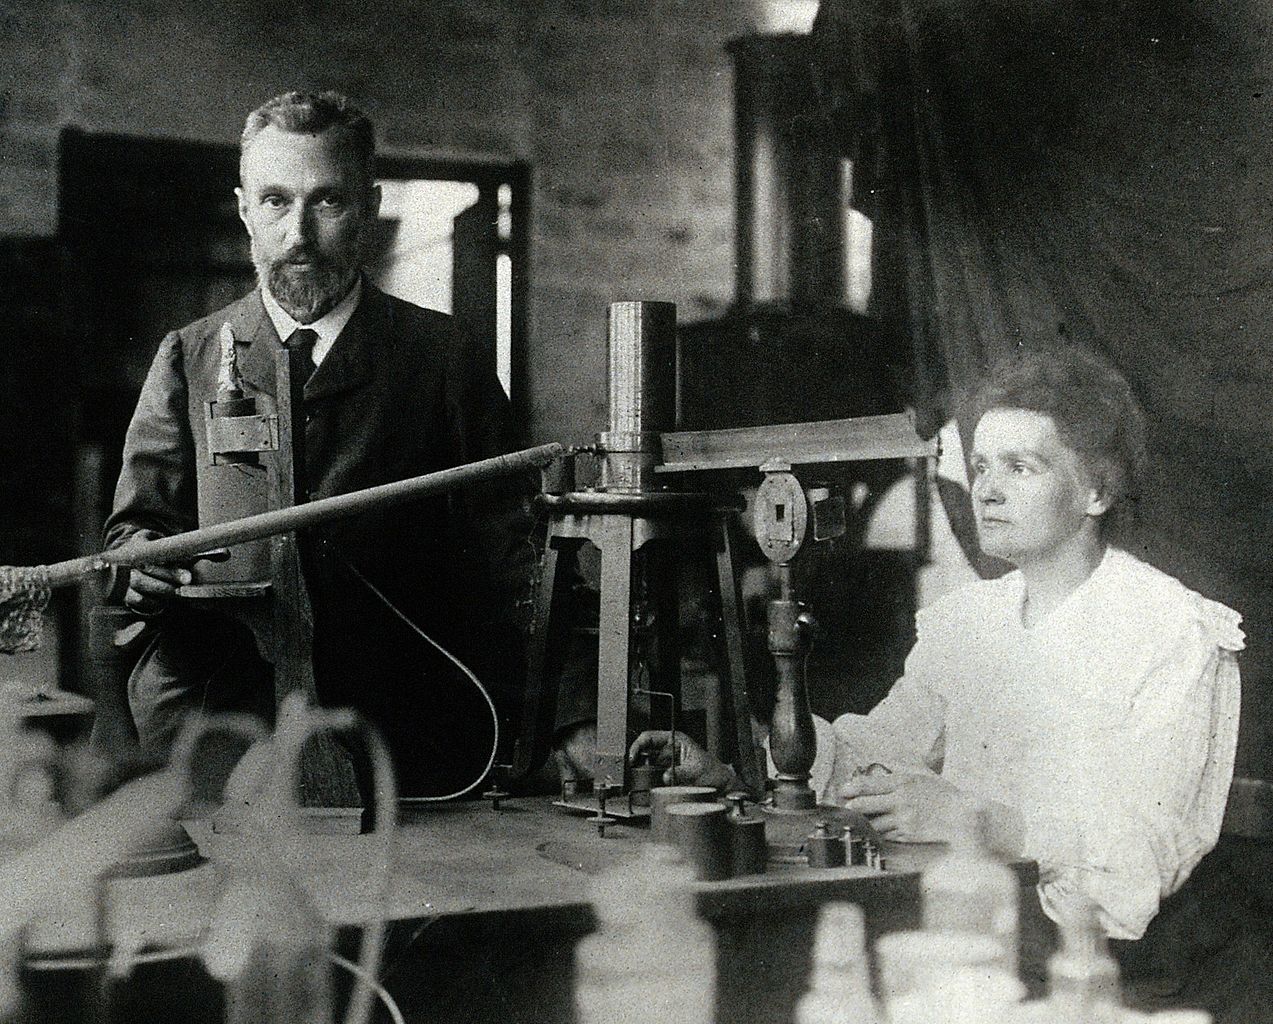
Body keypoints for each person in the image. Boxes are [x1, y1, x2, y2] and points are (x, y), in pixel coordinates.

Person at [633, 344, 1242, 941]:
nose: (987, 491)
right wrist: (736, 769)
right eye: (981, 466)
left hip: (1102, 959)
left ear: (1097, 493)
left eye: (1020, 467)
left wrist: (976, 821)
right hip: (962, 921)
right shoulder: (973, 621)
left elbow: (1148, 857)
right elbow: (874, 754)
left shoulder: (1172, 631)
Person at [102, 90, 591, 796]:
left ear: (367, 205)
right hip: (218, 739)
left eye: (326, 201)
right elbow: (134, 532)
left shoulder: (441, 357)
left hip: (403, 745)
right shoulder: (190, 356)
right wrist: (140, 566)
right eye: (275, 201)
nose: (298, 233)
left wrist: (574, 714)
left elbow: (517, 559)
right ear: (244, 209)